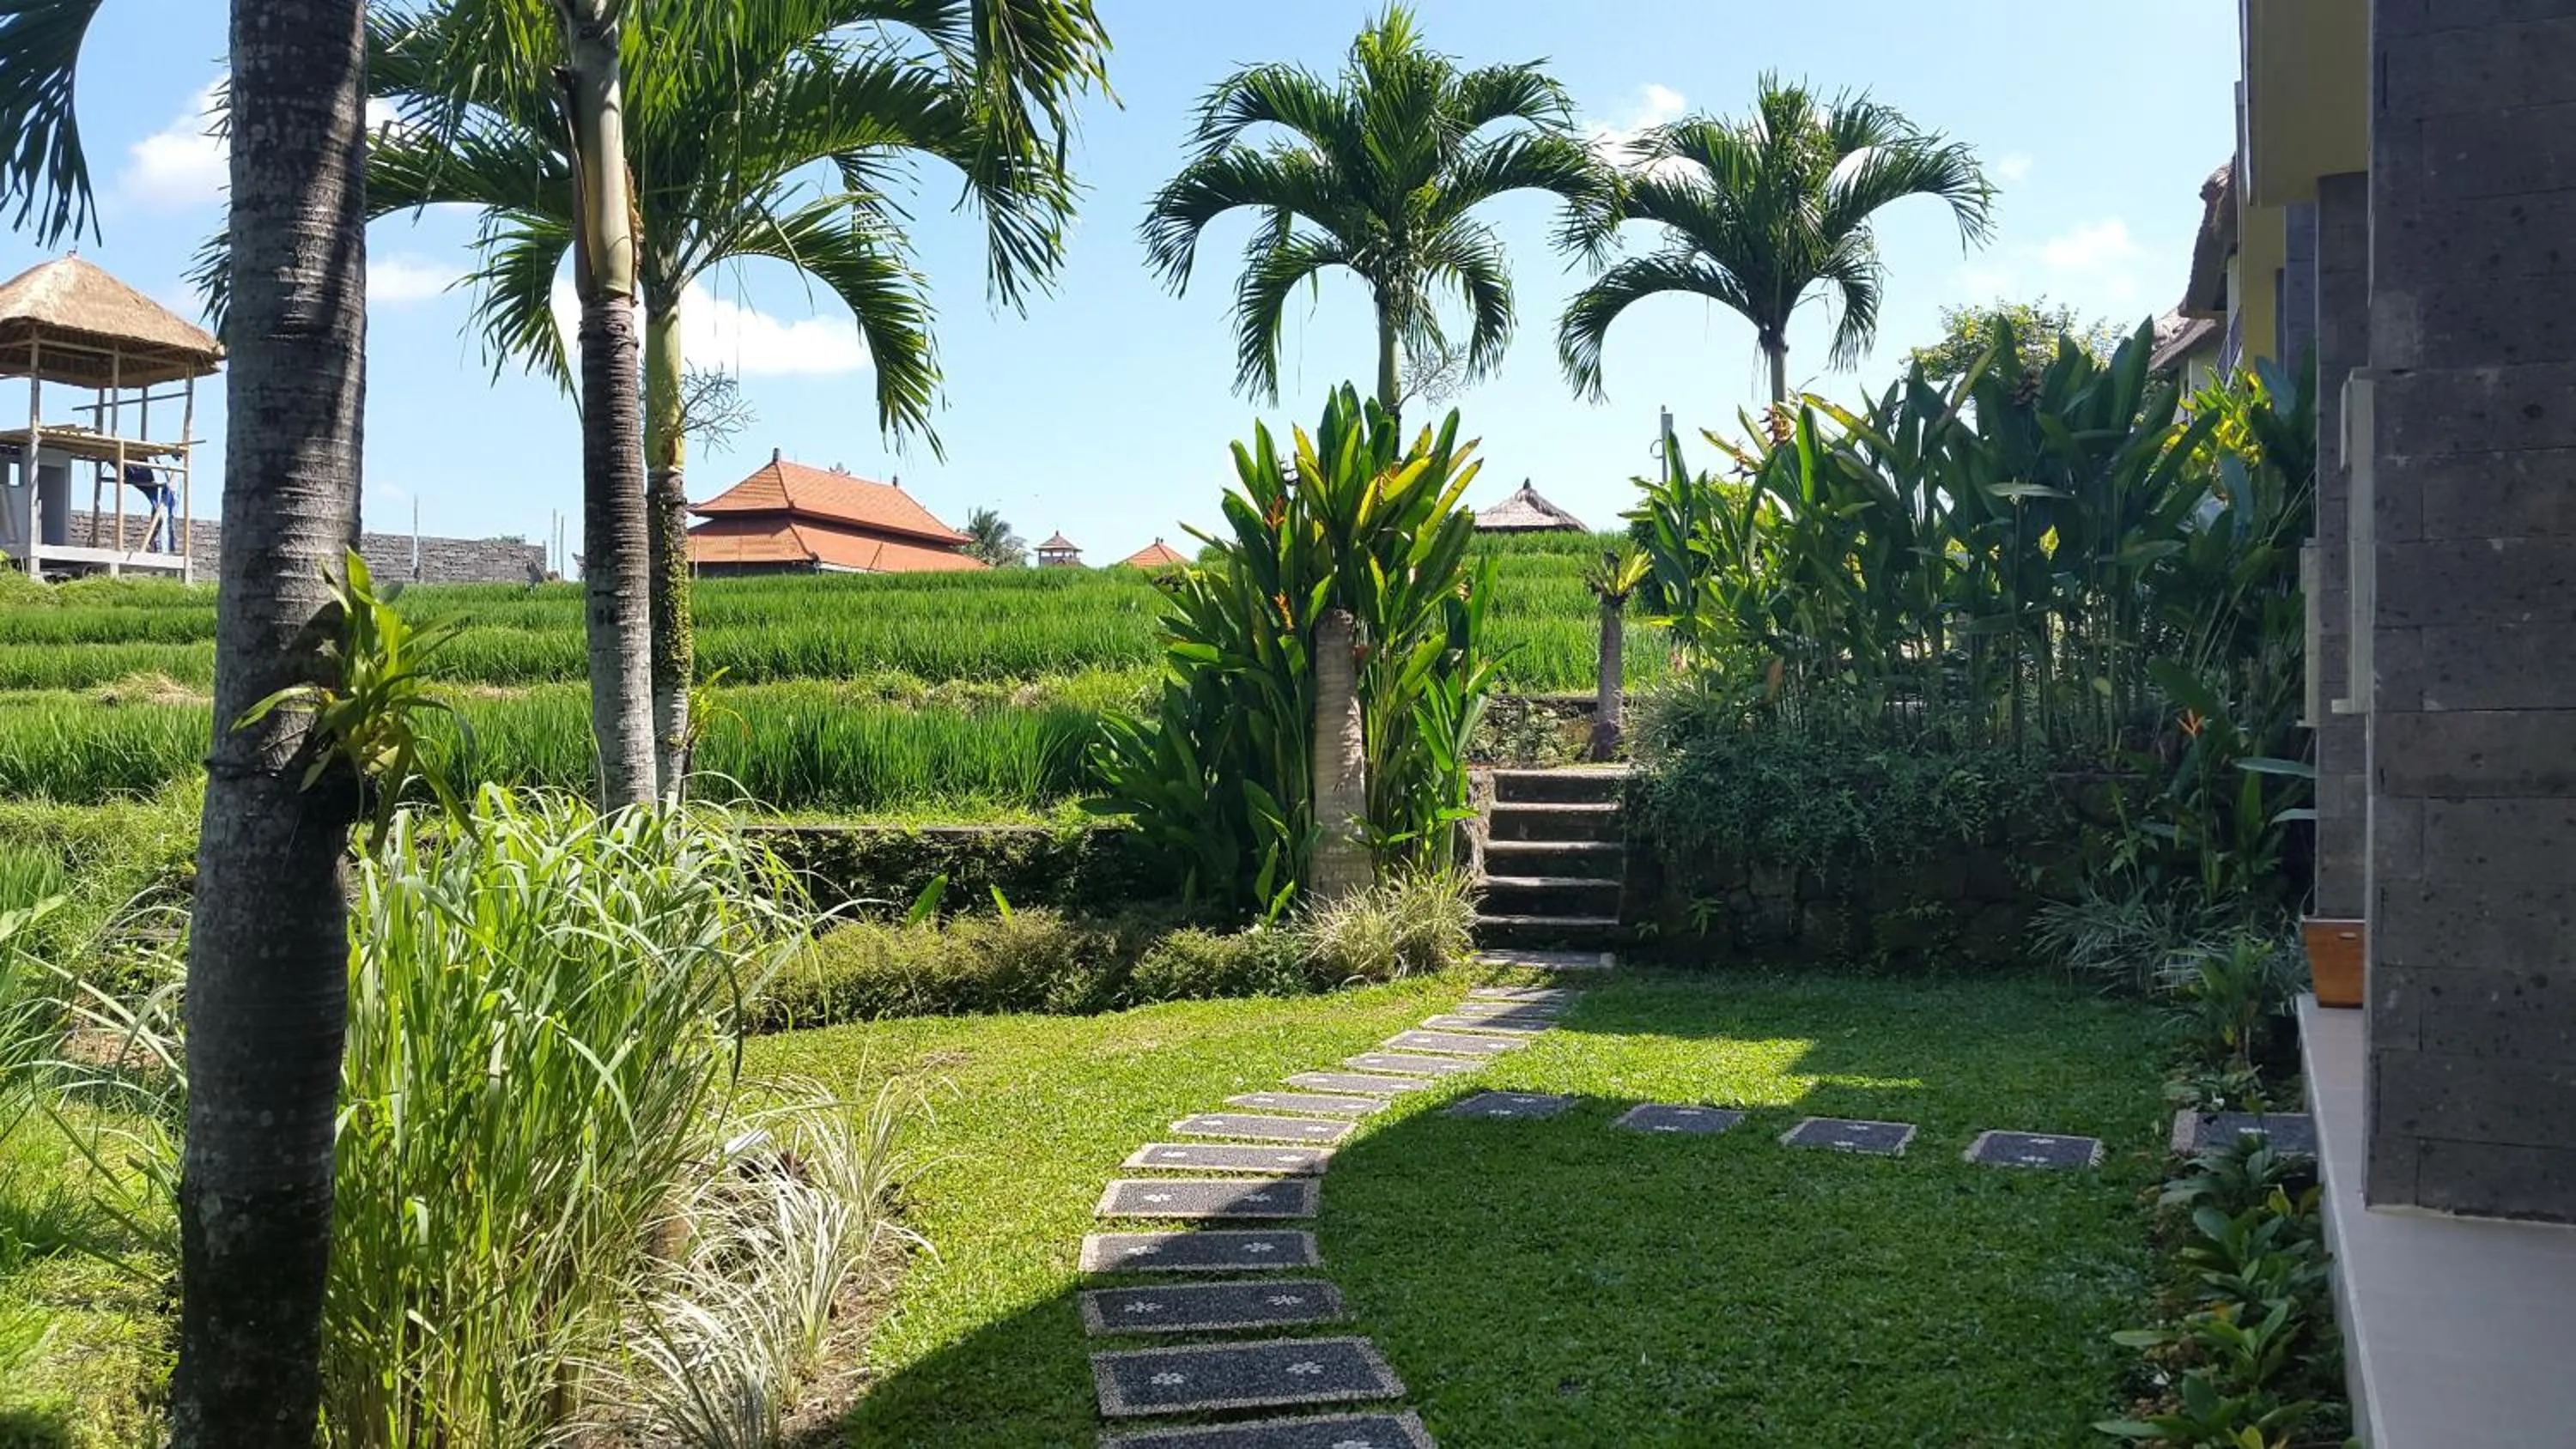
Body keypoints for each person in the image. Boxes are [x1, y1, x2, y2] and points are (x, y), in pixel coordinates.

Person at [118, 462, 177, 553]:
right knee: (161, 516)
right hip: (151, 474)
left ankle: (152, 542)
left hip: (156, 477)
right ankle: (152, 542)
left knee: (161, 516)